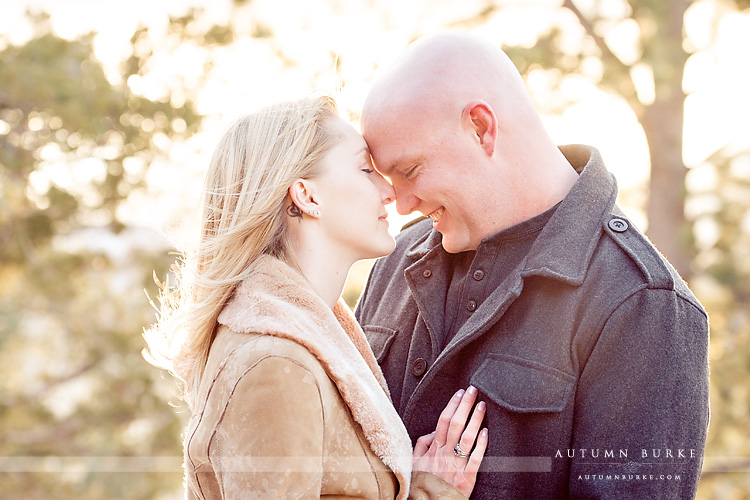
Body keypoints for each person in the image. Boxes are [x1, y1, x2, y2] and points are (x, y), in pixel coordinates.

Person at [355, 33, 710, 499]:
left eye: (411, 171)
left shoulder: (641, 303)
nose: (401, 205)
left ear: (481, 128)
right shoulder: (397, 261)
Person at [143, 95, 490, 499]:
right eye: (366, 170)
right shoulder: (274, 364)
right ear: (307, 196)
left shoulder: (303, 344)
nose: (389, 191)